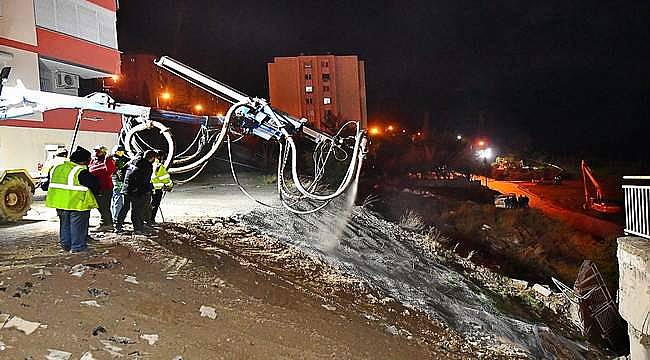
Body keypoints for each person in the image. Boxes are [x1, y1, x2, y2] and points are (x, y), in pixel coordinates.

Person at [45, 146, 99, 253]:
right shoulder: (80, 171)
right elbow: (95, 184)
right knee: (78, 227)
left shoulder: (57, 168)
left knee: (64, 225)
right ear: (83, 161)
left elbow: (45, 185)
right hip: (77, 204)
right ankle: (77, 247)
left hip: (60, 203)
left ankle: (66, 245)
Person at [115, 150, 156, 234]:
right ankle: (138, 229)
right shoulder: (147, 166)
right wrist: (147, 188)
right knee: (137, 210)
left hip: (126, 189)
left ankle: (118, 226)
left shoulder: (131, 162)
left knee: (124, 208)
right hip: (136, 192)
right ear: (152, 158)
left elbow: (121, 172)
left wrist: (125, 183)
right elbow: (144, 181)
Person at [89, 145, 116, 232]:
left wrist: (108, 160)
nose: (96, 153)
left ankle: (107, 224)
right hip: (95, 187)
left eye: (98, 151)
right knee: (99, 206)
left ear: (103, 152)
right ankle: (106, 223)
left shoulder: (107, 161)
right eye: (95, 151)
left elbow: (110, 171)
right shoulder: (92, 161)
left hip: (105, 188)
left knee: (104, 207)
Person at [148, 150, 173, 224]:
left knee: (148, 204)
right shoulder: (159, 166)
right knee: (154, 205)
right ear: (159, 157)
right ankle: (151, 220)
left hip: (148, 188)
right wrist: (169, 185)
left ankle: (146, 220)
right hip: (156, 189)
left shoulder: (149, 164)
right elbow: (165, 178)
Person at [110, 144, 130, 223]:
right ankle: (116, 218)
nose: (121, 153)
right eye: (119, 152)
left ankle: (114, 217)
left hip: (116, 182)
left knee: (115, 199)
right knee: (118, 200)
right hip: (118, 182)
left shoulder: (123, 159)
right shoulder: (116, 160)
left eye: (121, 152)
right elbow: (119, 172)